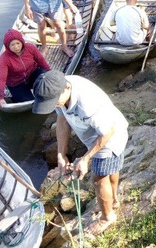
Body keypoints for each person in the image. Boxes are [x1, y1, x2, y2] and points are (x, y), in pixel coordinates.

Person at [32, 70, 128, 237]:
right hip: (96, 135)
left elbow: (108, 131)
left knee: (98, 179)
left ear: (66, 88)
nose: (54, 105)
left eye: (54, 102)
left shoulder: (87, 102)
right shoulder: (59, 91)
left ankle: (107, 217)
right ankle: (112, 201)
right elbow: (62, 121)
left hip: (110, 136)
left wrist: (85, 159)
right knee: (109, 171)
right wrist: (61, 155)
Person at [0, 29, 50, 108]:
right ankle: (19, 95)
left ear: (22, 42)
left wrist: (51, 75)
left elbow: (41, 62)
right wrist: (0, 97)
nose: (16, 47)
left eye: (18, 43)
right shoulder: (4, 59)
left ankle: (38, 89)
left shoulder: (30, 48)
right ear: (7, 46)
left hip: (31, 76)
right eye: (12, 45)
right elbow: (1, 79)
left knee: (44, 75)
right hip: (16, 84)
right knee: (29, 103)